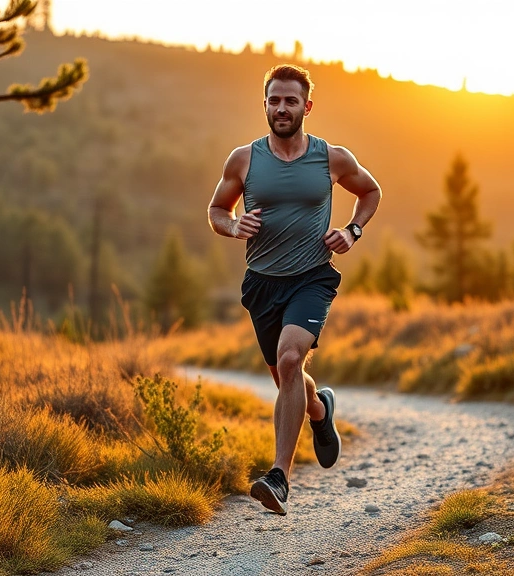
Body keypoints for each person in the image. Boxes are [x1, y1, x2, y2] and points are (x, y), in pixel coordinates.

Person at [207, 64, 382, 515]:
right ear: (264, 104)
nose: (281, 108)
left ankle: (279, 477)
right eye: (273, 100)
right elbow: (216, 210)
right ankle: (319, 410)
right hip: (262, 283)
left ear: (307, 106)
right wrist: (232, 226)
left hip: (312, 277)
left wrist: (352, 231)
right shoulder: (243, 159)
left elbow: (371, 192)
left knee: (289, 358)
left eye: (290, 100)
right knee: (285, 375)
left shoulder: (331, 158)